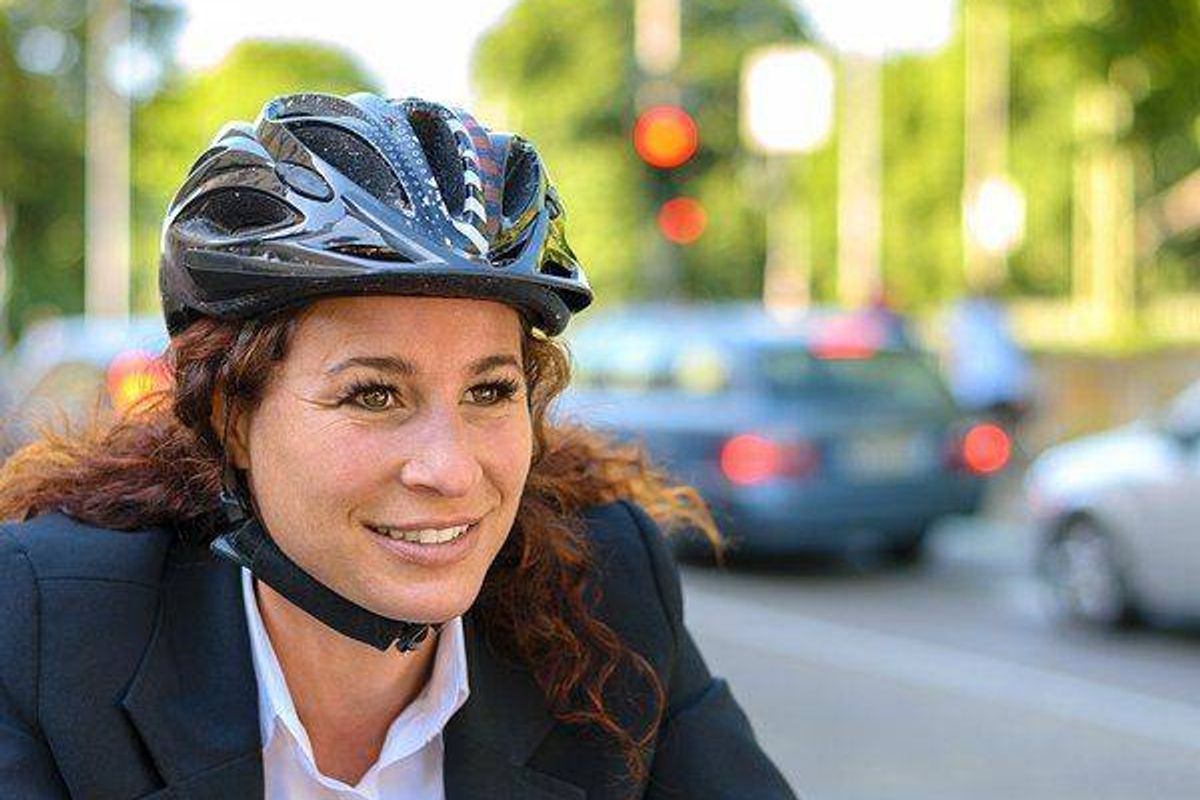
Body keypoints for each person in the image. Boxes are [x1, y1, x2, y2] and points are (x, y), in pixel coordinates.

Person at [0, 92, 796, 799]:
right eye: (374, 395)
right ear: (232, 418)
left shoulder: (610, 593)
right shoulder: (44, 626)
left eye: (489, 391)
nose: (450, 472)